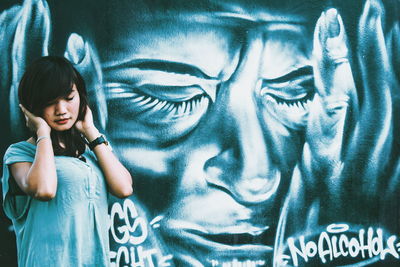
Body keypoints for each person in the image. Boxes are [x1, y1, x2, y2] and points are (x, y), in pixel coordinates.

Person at [1, 0, 399, 266]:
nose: (255, 179)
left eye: (294, 96)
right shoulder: (24, 157)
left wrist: (340, 228)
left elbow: (120, 186)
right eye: (168, 99)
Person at [1, 56, 133, 267]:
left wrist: (90, 131)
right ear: (32, 108)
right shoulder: (20, 154)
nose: (61, 109)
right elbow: (44, 190)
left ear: (80, 97)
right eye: (50, 103)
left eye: (69, 98)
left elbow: (124, 188)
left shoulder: (94, 150)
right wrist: (42, 133)